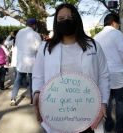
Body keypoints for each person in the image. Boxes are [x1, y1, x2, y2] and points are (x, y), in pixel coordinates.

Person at [32, 3, 110, 133]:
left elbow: (103, 76)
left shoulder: (94, 46)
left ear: (77, 19)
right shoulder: (46, 47)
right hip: (57, 114)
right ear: (56, 22)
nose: (66, 21)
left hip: (88, 113)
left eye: (70, 17)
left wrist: (104, 102)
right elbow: (38, 75)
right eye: (61, 18)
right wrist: (37, 92)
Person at [94, 13, 123, 133]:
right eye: (118, 23)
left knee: (105, 101)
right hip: (117, 73)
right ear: (114, 23)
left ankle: (108, 124)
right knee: (121, 101)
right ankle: (121, 127)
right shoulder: (117, 34)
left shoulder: (97, 37)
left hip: (102, 74)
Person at [10, 18, 42, 106]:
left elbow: (17, 44)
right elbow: (39, 49)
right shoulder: (35, 34)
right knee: (33, 81)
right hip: (31, 61)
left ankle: (13, 98)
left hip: (20, 60)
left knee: (18, 79)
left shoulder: (19, 32)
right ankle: (32, 101)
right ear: (34, 25)